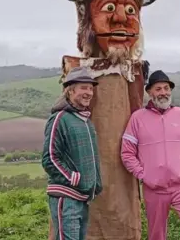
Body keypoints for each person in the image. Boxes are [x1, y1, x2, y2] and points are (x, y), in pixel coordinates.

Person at [120, 70, 180, 240]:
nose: (163, 92)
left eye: (166, 88)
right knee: (157, 235)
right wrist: (144, 175)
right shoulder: (137, 118)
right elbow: (127, 153)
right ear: (149, 92)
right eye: (158, 89)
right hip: (154, 190)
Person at [42, 66, 103, 240]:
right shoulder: (59, 118)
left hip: (82, 197)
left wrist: (95, 183)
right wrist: (73, 178)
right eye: (83, 87)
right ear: (70, 90)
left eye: (91, 88)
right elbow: (49, 158)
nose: (89, 92)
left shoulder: (85, 121)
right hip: (66, 196)